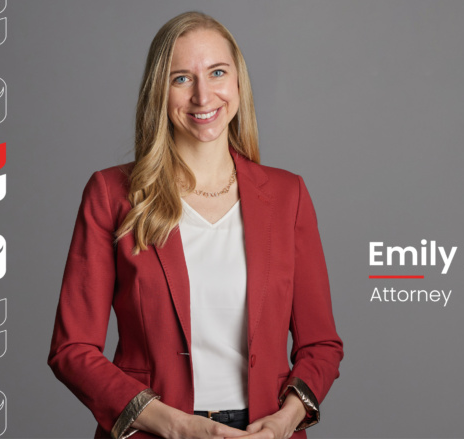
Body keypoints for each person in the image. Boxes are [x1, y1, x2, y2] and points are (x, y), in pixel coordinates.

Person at [48, 10, 344, 439]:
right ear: (159, 92)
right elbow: (72, 349)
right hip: (155, 433)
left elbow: (320, 346)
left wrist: (285, 421)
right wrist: (172, 424)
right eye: (182, 78)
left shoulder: (288, 196)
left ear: (238, 82)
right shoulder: (112, 194)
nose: (203, 97)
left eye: (217, 72)